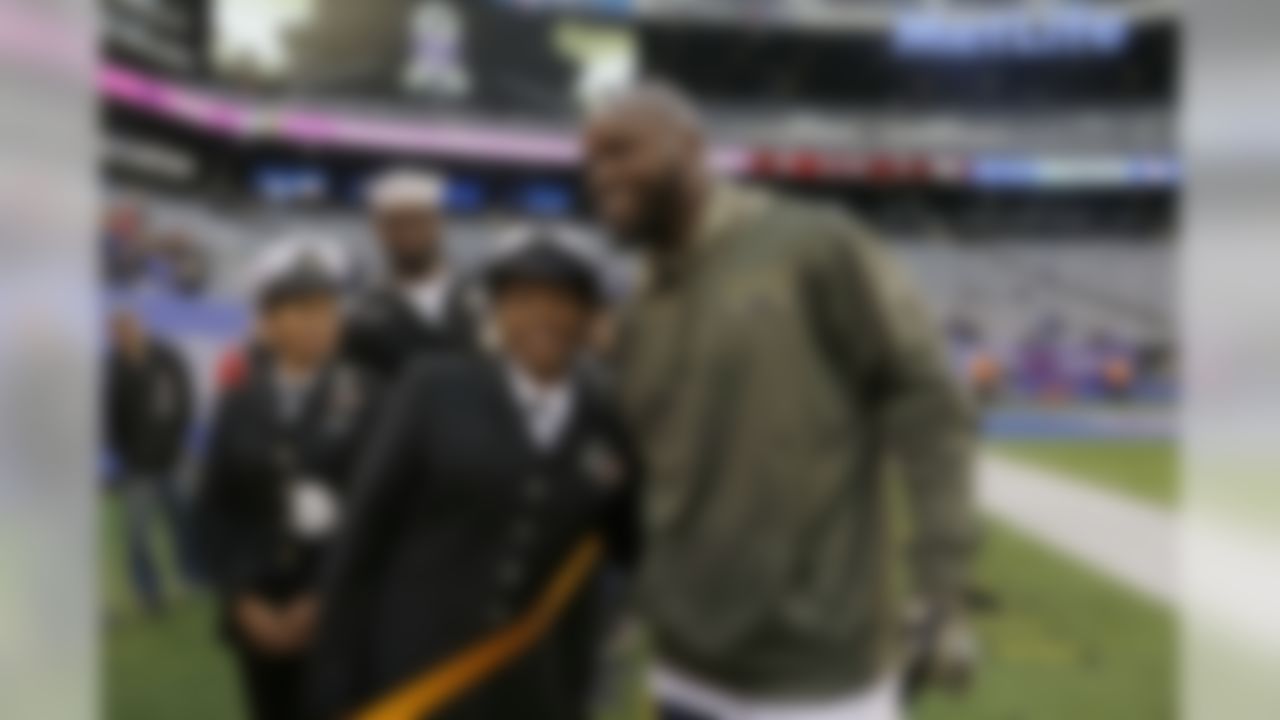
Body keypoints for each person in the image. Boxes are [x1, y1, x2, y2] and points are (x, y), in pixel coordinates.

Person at [581, 83, 978, 719]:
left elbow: (929, 402)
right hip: (684, 672)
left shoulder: (811, 245)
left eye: (622, 151)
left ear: (690, 147)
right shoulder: (638, 308)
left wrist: (942, 589)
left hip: (819, 686)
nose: (602, 175)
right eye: (593, 160)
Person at [309, 229, 639, 720]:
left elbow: (612, 561)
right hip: (414, 682)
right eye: (524, 298)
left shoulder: (609, 425)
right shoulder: (433, 387)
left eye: (564, 300)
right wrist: (334, 685)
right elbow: (362, 541)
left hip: (534, 694)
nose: (543, 316)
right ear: (498, 309)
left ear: (591, 316)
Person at [198, 239, 380, 720]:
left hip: (340, 615)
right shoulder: (238, 402)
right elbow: (216, 508)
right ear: (268, 322)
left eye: (326, 307)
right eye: (300, 308)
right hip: (257, 613)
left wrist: (324, 596)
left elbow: (381, 514)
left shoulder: (372, 399)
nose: (317, 320)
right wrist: (240, 597)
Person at [104, 307, 198, 613]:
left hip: (172, 460)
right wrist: (123, 450)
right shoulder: (112, 369)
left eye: (130, 328)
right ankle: (149, 593)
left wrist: (176, 441)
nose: (126, 335)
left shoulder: (166, 358)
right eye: (119, 332)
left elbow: (185, 399)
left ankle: (192, 577)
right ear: (114, 336)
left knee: (184, 523)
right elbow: (107, 418)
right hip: (136, 468)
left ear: (140, 327)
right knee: (138, 535)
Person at [344, 169, 477, 380]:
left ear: (437, 223)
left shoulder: (479, 300)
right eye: (397, 223)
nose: (408, 233)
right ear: (379, 230)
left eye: (417, 220)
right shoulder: (362, 315)